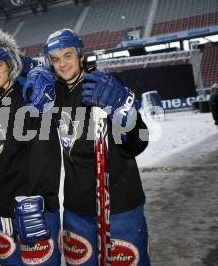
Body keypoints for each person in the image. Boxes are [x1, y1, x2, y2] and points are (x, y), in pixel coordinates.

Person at [24, 28, 151, 265]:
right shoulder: (54, 94)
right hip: (76, 209)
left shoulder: (104, 86)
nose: (62, 64)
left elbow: (138, 143)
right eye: (55, 59)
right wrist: (33, 81)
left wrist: (122, 111)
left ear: (81, 55)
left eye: (68, 55)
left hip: (119, 205)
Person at [0, 24, 62, 265]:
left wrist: (40, 200)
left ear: (10, 65)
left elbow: (48, 154)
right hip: (3, 212)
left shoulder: (31, 96)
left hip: (35, 208)